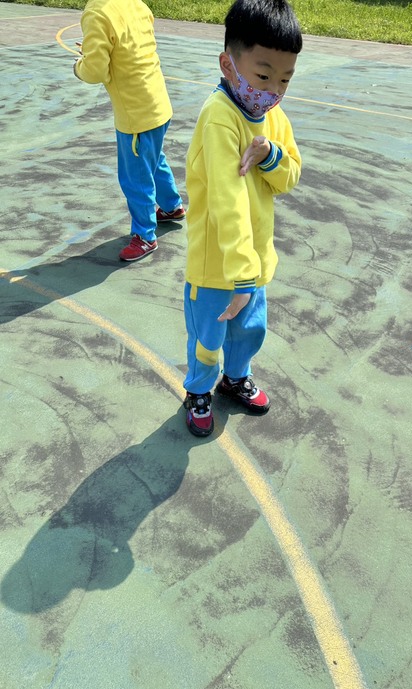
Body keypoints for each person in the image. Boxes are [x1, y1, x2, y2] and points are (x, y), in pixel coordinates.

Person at [182, 0, 303, 437]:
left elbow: (289, 175)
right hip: (219, 265)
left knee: (249, 330)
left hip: (254, 260)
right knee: (208, 338)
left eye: (285, 79)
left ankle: (235, 378)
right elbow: (226, 200)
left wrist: (271, 155)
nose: (273, 90)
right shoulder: (220, 118)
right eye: (264, 76)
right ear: (228, 65)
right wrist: (241, 274)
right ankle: (198, 390)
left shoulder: (273, 116)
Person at [73, 0, 185, 261]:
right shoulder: (136, 4)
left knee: (135, 176)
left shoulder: (97, 13)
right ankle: (172, 206)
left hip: (136, 115)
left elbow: (95, 70)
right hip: (158, 103)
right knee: (153, 160)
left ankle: (145, 235)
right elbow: (127, 48)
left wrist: (79, 66)